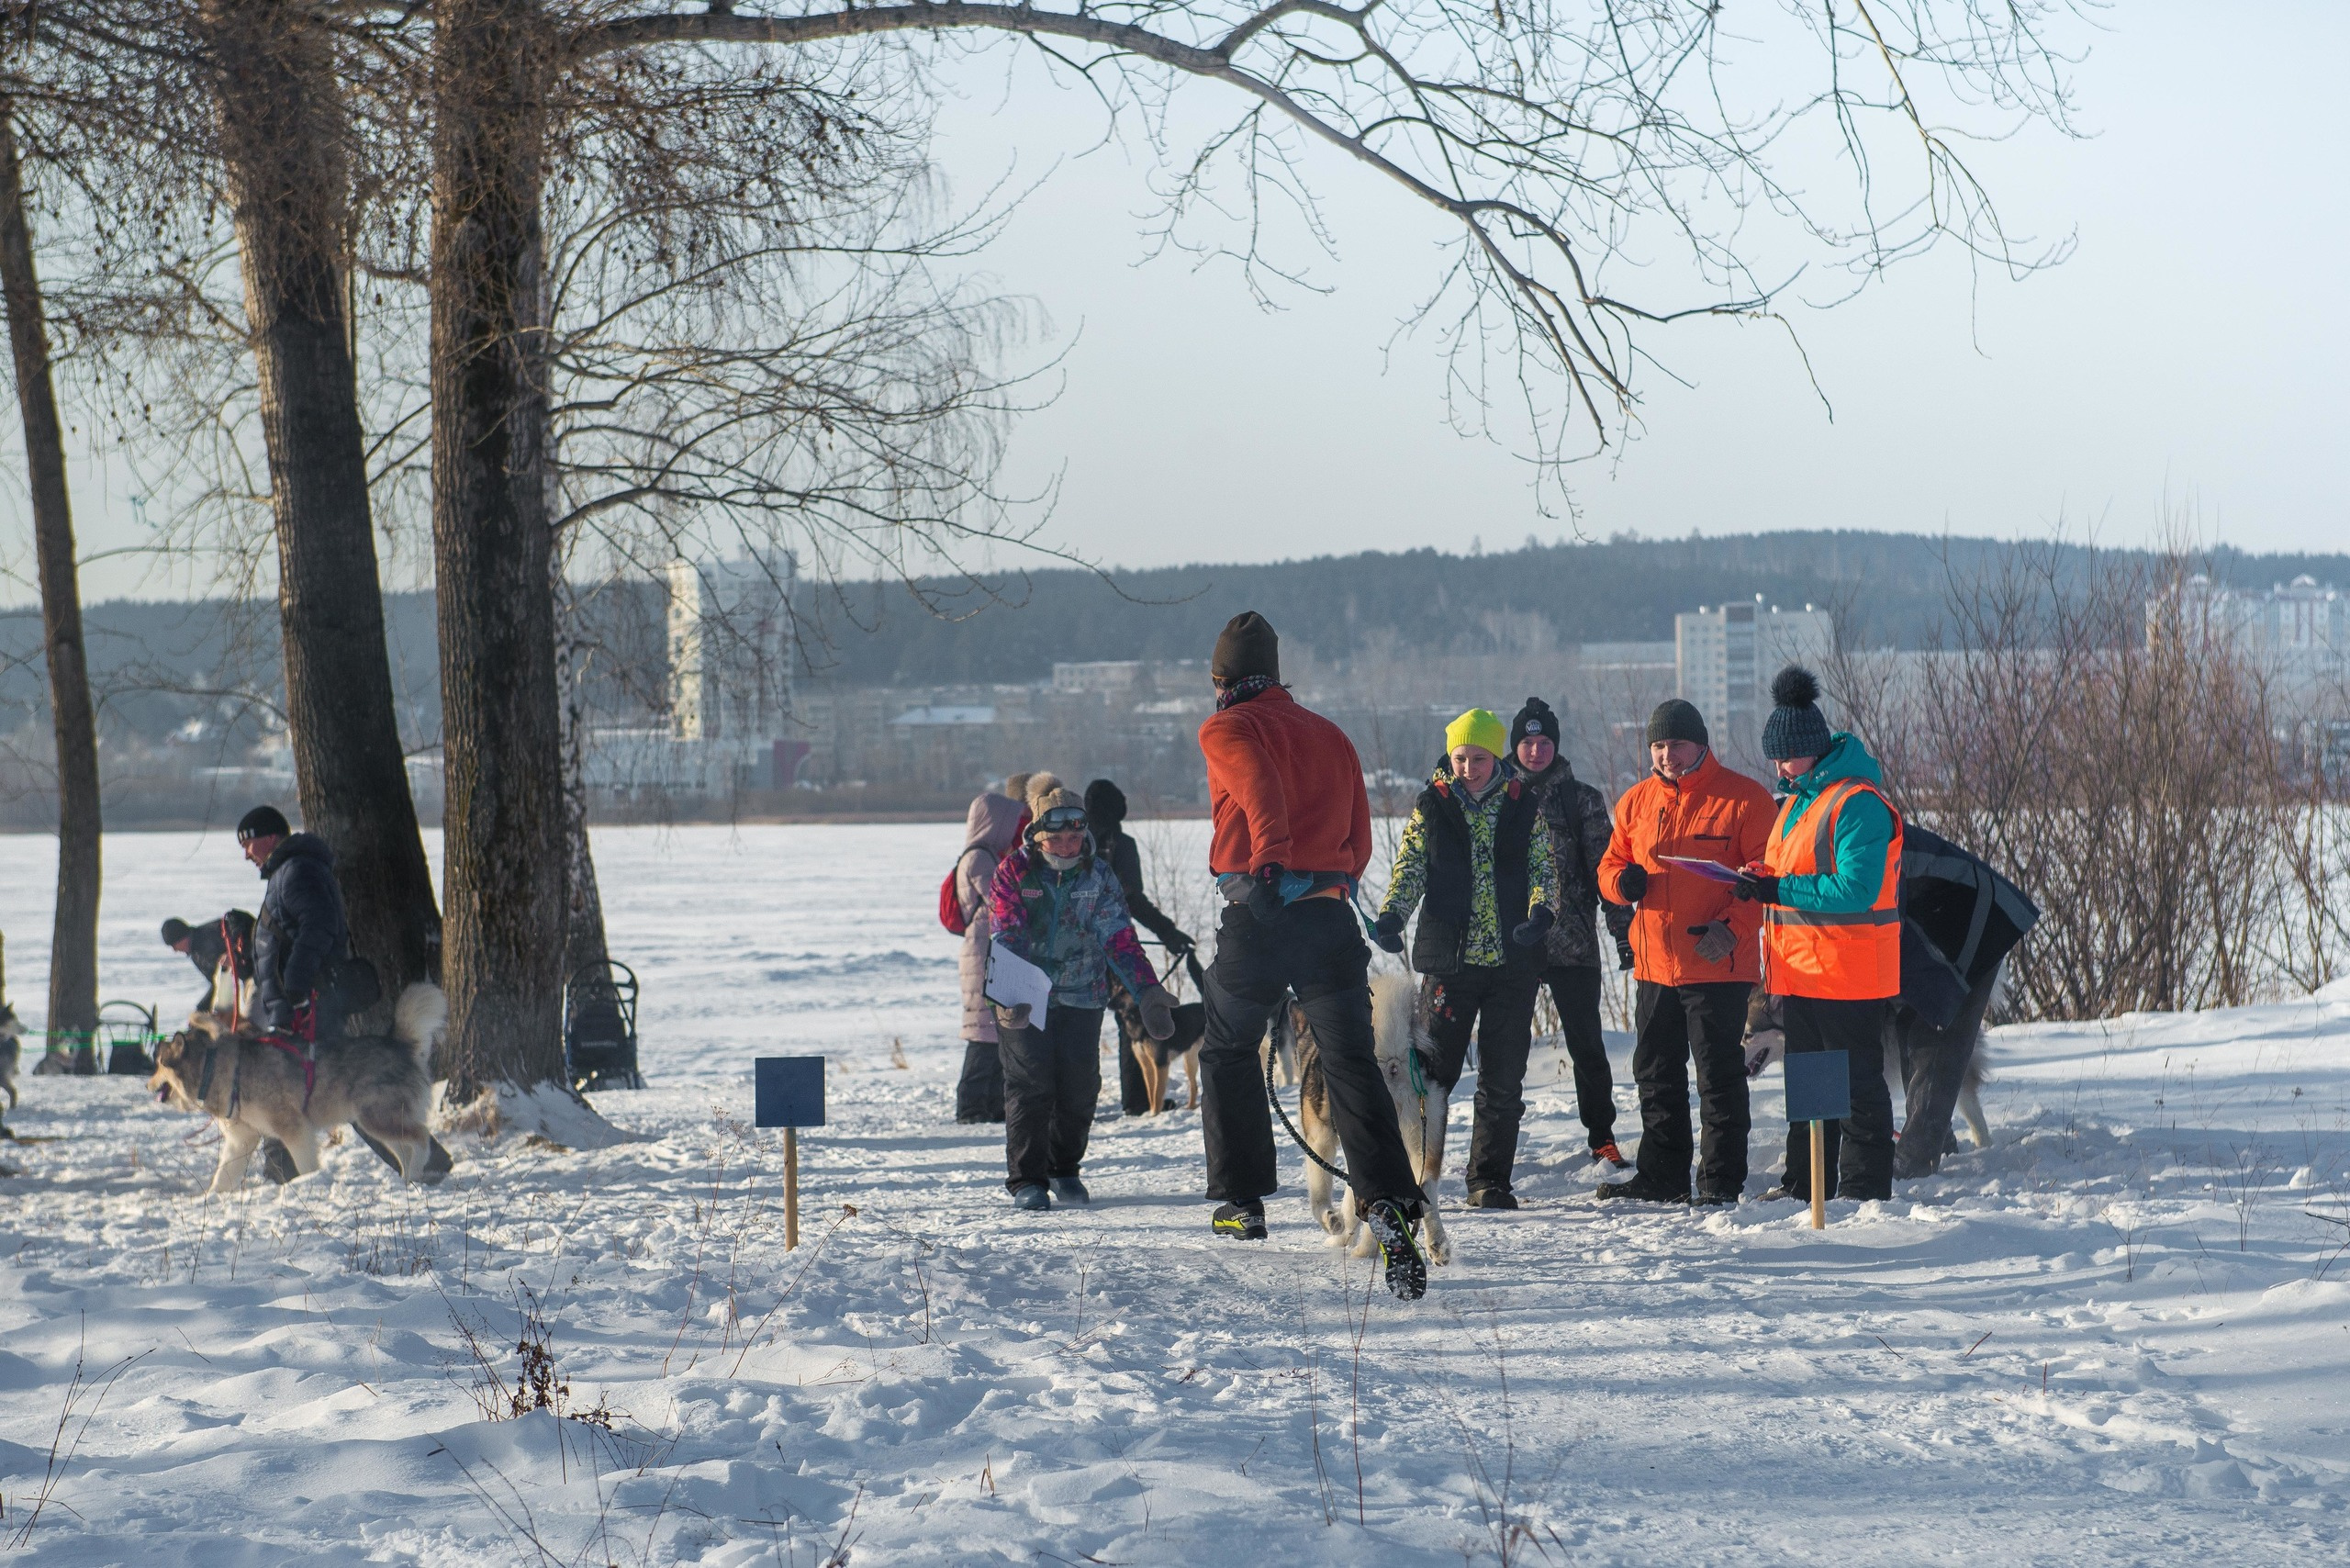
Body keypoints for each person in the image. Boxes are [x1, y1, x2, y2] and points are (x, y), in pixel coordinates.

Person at [1192, 610, 1431, 1301]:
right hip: (1329, 916)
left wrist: (1268, 868)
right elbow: (1359, 834)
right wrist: (1337, 881)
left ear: (1221, 679)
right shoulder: (1331, 734)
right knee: (1351, 1063)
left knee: (1228, 1046)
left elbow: (1261, 790)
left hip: (1261, 915)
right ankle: (1388, 1203)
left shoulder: (1226, 727)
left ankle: (1242, 1202)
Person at [1594, 698, 1775, 1204]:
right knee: (1655, 1075)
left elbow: (1768, 877)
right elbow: (1609, 865)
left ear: (1701, 743)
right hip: (1654, 964)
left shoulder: (1744, 799)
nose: (1666, 754)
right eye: (1657, 745)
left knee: (1718, 1076)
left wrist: (1733, 928)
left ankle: (1719, 1182)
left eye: (1676, 744)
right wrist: (1619, 883)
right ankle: (1662, 1175)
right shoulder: (1635, 801)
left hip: (1718, 963)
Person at [1371, 708, 1555, 1209]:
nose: (1468, 767)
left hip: (1513, 966)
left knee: (1503, 1077)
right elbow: (1410, 866)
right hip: (1450, 965)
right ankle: (1416, 1172)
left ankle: (1488, 1180)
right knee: (1429, 1076)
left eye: (1478, 758)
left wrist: (1542, 911)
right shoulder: (1432, 804)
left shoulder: (1523, 805)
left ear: (1495, 756)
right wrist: (1393, 916)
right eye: (1460, 758)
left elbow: (1543, 866)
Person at [1733, 667, 1903, 1204]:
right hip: (1801, 972)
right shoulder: (1798, 803)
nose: (1779, 768)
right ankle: (1807, 1184)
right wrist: (1760, 881)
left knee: (1857, 1091)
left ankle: (1862, 1193)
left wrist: (1778, 887)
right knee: (1810, 1087)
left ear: (1813, 749)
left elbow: (1855, 889)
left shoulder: (1858, 803)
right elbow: (1791, 876)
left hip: (1850, 972)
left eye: (1785, 756)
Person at [987, 786, 1178, 1210]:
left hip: (1084, 994)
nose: (1068, 845)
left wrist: (1146, 990)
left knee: (1079, 1087)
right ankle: (1027, 1180)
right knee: (1030, 1084)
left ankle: (1064, 1169)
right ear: (1037, 835)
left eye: (1075, 837)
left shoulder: (1099, 875)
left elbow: (1120, 938)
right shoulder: (1013, 873)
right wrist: (1015, 990)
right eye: (1057, 838)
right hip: (1023, 998)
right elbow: (1008, 933)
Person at [1507, 698, 1635, 1177]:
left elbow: (1606, 870)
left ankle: (1601, 1139)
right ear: (1515, 745)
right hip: (1513, 945)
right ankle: (1499, 1144)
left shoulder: (1579, 798)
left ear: (1555, 746)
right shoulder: (1498, 796)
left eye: (1544, 743)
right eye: (1527, 742)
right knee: (1508, 1049)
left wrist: (1623, 935)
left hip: (1573, 942)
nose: (1536, 751)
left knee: (1587, 1047)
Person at [1886, 824, 2037, 1177]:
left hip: (1969, 923)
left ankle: (1916, 1158)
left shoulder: (1857, 830)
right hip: (1926, 929)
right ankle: (1937, 1141)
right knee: (1910, 1031)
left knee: (1937, 1042)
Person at [1084, 778, 1198, 1115]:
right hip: (1116, 950)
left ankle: (1077, 1100)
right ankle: (1137, 1100)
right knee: (1132, 1023)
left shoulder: (1070, 842)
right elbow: (1133, 899)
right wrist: (1169, 933)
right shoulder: (1122, 844)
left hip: (1072, 953)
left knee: (1078, 1026)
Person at [240, 805, 351, 1044]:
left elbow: (319, 925)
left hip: (307, 1007)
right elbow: (282, 936)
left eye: (247, 844)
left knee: (313, 1077)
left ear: (270, 838)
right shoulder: (286, 873)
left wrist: (296, 983)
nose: (246, 855)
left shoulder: (296, 870)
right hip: (294, 1009)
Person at [953, 784, 1026, 1124]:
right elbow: (1000, 899)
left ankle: (993, 1104)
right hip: (982, 953)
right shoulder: (979, 857)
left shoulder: (987, 854)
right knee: (982, 1033)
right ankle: (970, 1107)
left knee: (994, 1030)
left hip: (988, 949)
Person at [162, 911, 255, 1021]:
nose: (175, 950)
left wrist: (235, 953)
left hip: (258, 971)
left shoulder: (212, 932)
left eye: (174, 944)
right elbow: (216, 985)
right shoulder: (196, 956)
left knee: (252, 1021)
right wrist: (201, 1009)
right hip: (246, 979)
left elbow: (245, 932)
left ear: (182, 937)